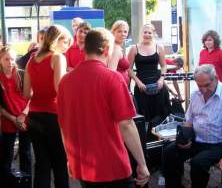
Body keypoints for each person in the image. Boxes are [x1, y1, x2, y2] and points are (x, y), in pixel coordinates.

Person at [57, 28, 150, 188]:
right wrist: (142, 163)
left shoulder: (65, 81)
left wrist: (69, 158)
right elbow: (127, 124)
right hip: (112, 166)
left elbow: (63, 125)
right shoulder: (112, 78)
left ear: (85, 48)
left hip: (83, 166)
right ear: (107, 49)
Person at [162, 64, 222, 188]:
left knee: (198, 163)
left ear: (216, 78)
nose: (204, 90)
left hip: (219, 144)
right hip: (197, 140)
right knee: (169, 151)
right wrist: (186, 139)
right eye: (200, 86)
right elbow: (189, 121)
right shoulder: (196, 94)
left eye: (207, 85)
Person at [24, 25, 72, 188]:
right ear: (56, 40)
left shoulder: (32, 59)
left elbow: (26, 93)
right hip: (54, 116)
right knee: (60, 164)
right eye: (65, 41)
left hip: (34, 116)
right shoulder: (58, 58)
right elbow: (60, 89)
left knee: (42, 164)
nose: (67, 46)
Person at [0, 46, 31, 188]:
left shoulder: (22, 74)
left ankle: (27, 183)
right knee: (7, 155)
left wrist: (23, 115)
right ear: (0, 60)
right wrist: (13, 119)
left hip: (24, 118)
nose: (10, 62)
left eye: (12, 59)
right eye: (6, 59)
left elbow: (31, 98)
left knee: (26, 153)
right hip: (8, 120)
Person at [127, 23, 169, 123]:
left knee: (160, 116)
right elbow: (128, 68)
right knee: (143, 118)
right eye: (145, 32)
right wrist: (138, 82)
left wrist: (161, 80)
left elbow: (164, 66)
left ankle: (159, 137)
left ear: (153, 34)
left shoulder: (159, 47)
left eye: (149, 32)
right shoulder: (134, 48)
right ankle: (146, 138)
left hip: (158, 86)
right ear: (141, 34)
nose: (147, 34)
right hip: (142, 87)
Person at [108, 20, 130, 85]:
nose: (123, 34)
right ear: (113, 32)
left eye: (125, 32)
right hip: (118, 87)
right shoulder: (115, 49)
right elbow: (111, 72)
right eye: (119, 31)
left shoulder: (118, 47)